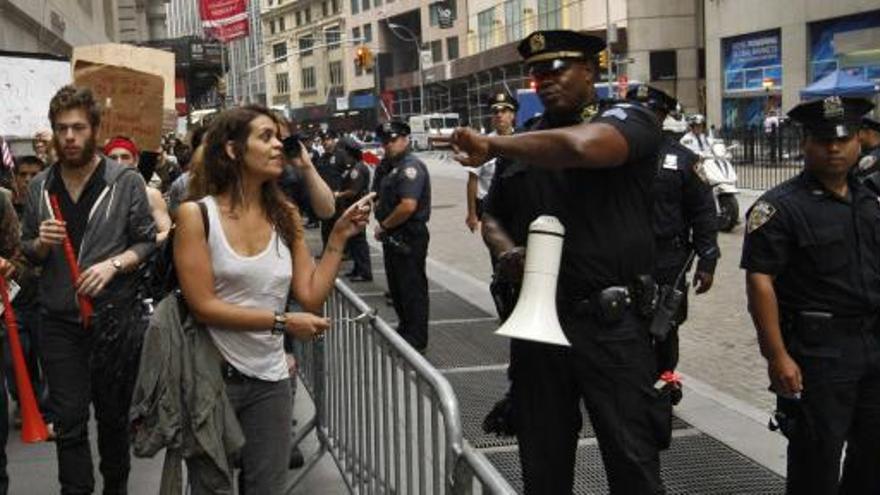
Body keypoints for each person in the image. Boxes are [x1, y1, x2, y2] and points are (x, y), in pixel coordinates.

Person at [445, 30, 666, 493]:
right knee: (542, 462)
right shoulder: (526, 140)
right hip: (541, 324)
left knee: (632, 463)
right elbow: (493, 217)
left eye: (556, 69)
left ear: (591, 69)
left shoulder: (630, 119)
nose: (543, 80)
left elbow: (582, 147)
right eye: (537, 73)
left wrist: (494, 144)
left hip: (612, 329)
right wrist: (506, 251)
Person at [174, 105, 370, 493]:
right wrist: (281, 322)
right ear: (232, 149)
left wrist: (338, 238)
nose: (278, 145)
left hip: (271, 383)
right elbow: (203, 306)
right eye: (266, 137)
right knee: (210, 488)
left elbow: (311, 296)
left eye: (278, 137)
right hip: (212, 379)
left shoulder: (286, 215)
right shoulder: (196, 216)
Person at [19, 85, 156, 494]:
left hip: (113, 321)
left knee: (113, 421)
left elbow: (146, 241)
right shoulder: (40, 187)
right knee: (69, 422)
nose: (69, 137)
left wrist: (114, 265)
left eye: (78, 127)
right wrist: (40, 244)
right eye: (61, 129)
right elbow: (28, 251)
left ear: (95, 128)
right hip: (59, 322)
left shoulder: (124, 181)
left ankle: (116, 488)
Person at [741, 96, 880, 494]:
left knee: (871, 460)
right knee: (815, 464)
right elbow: (760, 281)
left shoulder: (869, 200)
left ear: (859, 141)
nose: (834, 148)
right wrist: (777, 356)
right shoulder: (780, 207)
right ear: (805, 144)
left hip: (873, 345)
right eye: (822, 140)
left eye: (843, 138)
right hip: (819, 356)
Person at [627, 85, 719, 396]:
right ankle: (631, 382)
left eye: (649, 113)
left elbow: (704, 212)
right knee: (625, 321)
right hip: (623, 256)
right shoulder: (616, 154)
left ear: (662, 116)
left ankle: (665, 381)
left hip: (668, 258)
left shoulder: (683, 159)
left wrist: (708, 260)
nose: (640, 119)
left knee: (665, 324)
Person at [374, 121, 432, 353]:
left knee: (411, 287)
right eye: (385, 141)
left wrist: (385, 226)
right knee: (397, 287)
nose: (388, 144)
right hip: (394, 235)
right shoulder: (390, 167)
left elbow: (408, 206)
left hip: (408, 234)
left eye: (393, 139)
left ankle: (417, 338)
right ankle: (406, 329)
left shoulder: (411, 167)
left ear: (406, 139)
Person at [104, 136, 172, 244]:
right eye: (113, 158)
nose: (119, 162)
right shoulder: (100, 194)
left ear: (135, 161)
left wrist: (141, 247)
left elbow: (168, 233)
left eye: (125, 157)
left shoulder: (150, 195)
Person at [466, 92, 518, 235]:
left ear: (512, 115)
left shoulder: (522, 142)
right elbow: (472, 180)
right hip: (490, 208)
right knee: (498, 253)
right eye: (495, 112)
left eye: (504, 111)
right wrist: (472, 214)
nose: (499, 115)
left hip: (517, 206)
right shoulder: (482, 144)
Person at [336, 136, 373, 282]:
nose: (343, 157)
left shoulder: (357, 169)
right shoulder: (353, 167)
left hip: (357, 207)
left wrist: (338, 195)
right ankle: (358, 268)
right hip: (353, 207)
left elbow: (353, 191)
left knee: (358, 241)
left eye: (344, 153)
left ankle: (364, 271)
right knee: (354, 241)